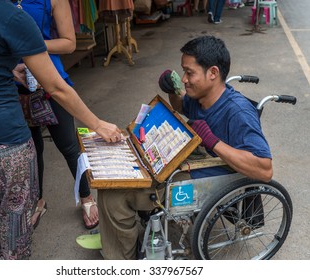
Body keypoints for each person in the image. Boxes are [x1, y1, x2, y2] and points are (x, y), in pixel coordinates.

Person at [0, 0, 121, 260]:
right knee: (16, 217)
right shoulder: (11, 17)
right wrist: (97, 124)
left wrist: (3, 68)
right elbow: (56, 87)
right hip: (4, 139)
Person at [98, 35, 272, 259]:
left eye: (189, 73)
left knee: (114, 196)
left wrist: (213, 141)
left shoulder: (238, 113)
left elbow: (265, 170)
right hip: (193, 158)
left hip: (210, 175)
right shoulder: (202, 96)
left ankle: (122, 259)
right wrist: (171, 89)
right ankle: (121, 234)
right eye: (183, 72)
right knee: (127, 160)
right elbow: (181, 105)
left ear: (213, 73)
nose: (184, 79)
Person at [12, 0, 99, 230]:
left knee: (69, 146)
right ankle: (38, 200)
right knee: (31, 150)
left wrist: (30, 45)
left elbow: (69, 44)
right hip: (15, 85)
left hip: (51, 82)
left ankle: (86, 198)